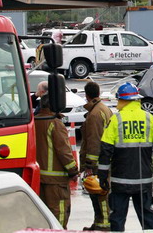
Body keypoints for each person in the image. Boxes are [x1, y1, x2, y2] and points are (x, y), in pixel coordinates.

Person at [97, 82, 153, 232]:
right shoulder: (148, 118)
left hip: (120, 181)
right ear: (137, 99)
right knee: (148, 217)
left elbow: (105, 150)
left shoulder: (116, 120)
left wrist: (102, 176)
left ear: (122, 100)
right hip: (143, 180)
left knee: (117, 218)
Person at [34, 91, 79, 229]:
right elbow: (64, 151)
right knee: (59, 212)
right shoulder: (55, 123)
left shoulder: (34, 122)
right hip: (56, 181)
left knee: (43, 214)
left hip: (39, 178)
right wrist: (73, 170)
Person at [79, 81, 114, 231]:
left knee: (99, 194)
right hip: (106, 160)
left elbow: (93, 142)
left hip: (98, 163)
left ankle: (103, 225)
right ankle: (99, 223)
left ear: (86, 95)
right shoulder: (105, 109)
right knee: (102, 193)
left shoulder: (94, 114)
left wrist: (89, 166)